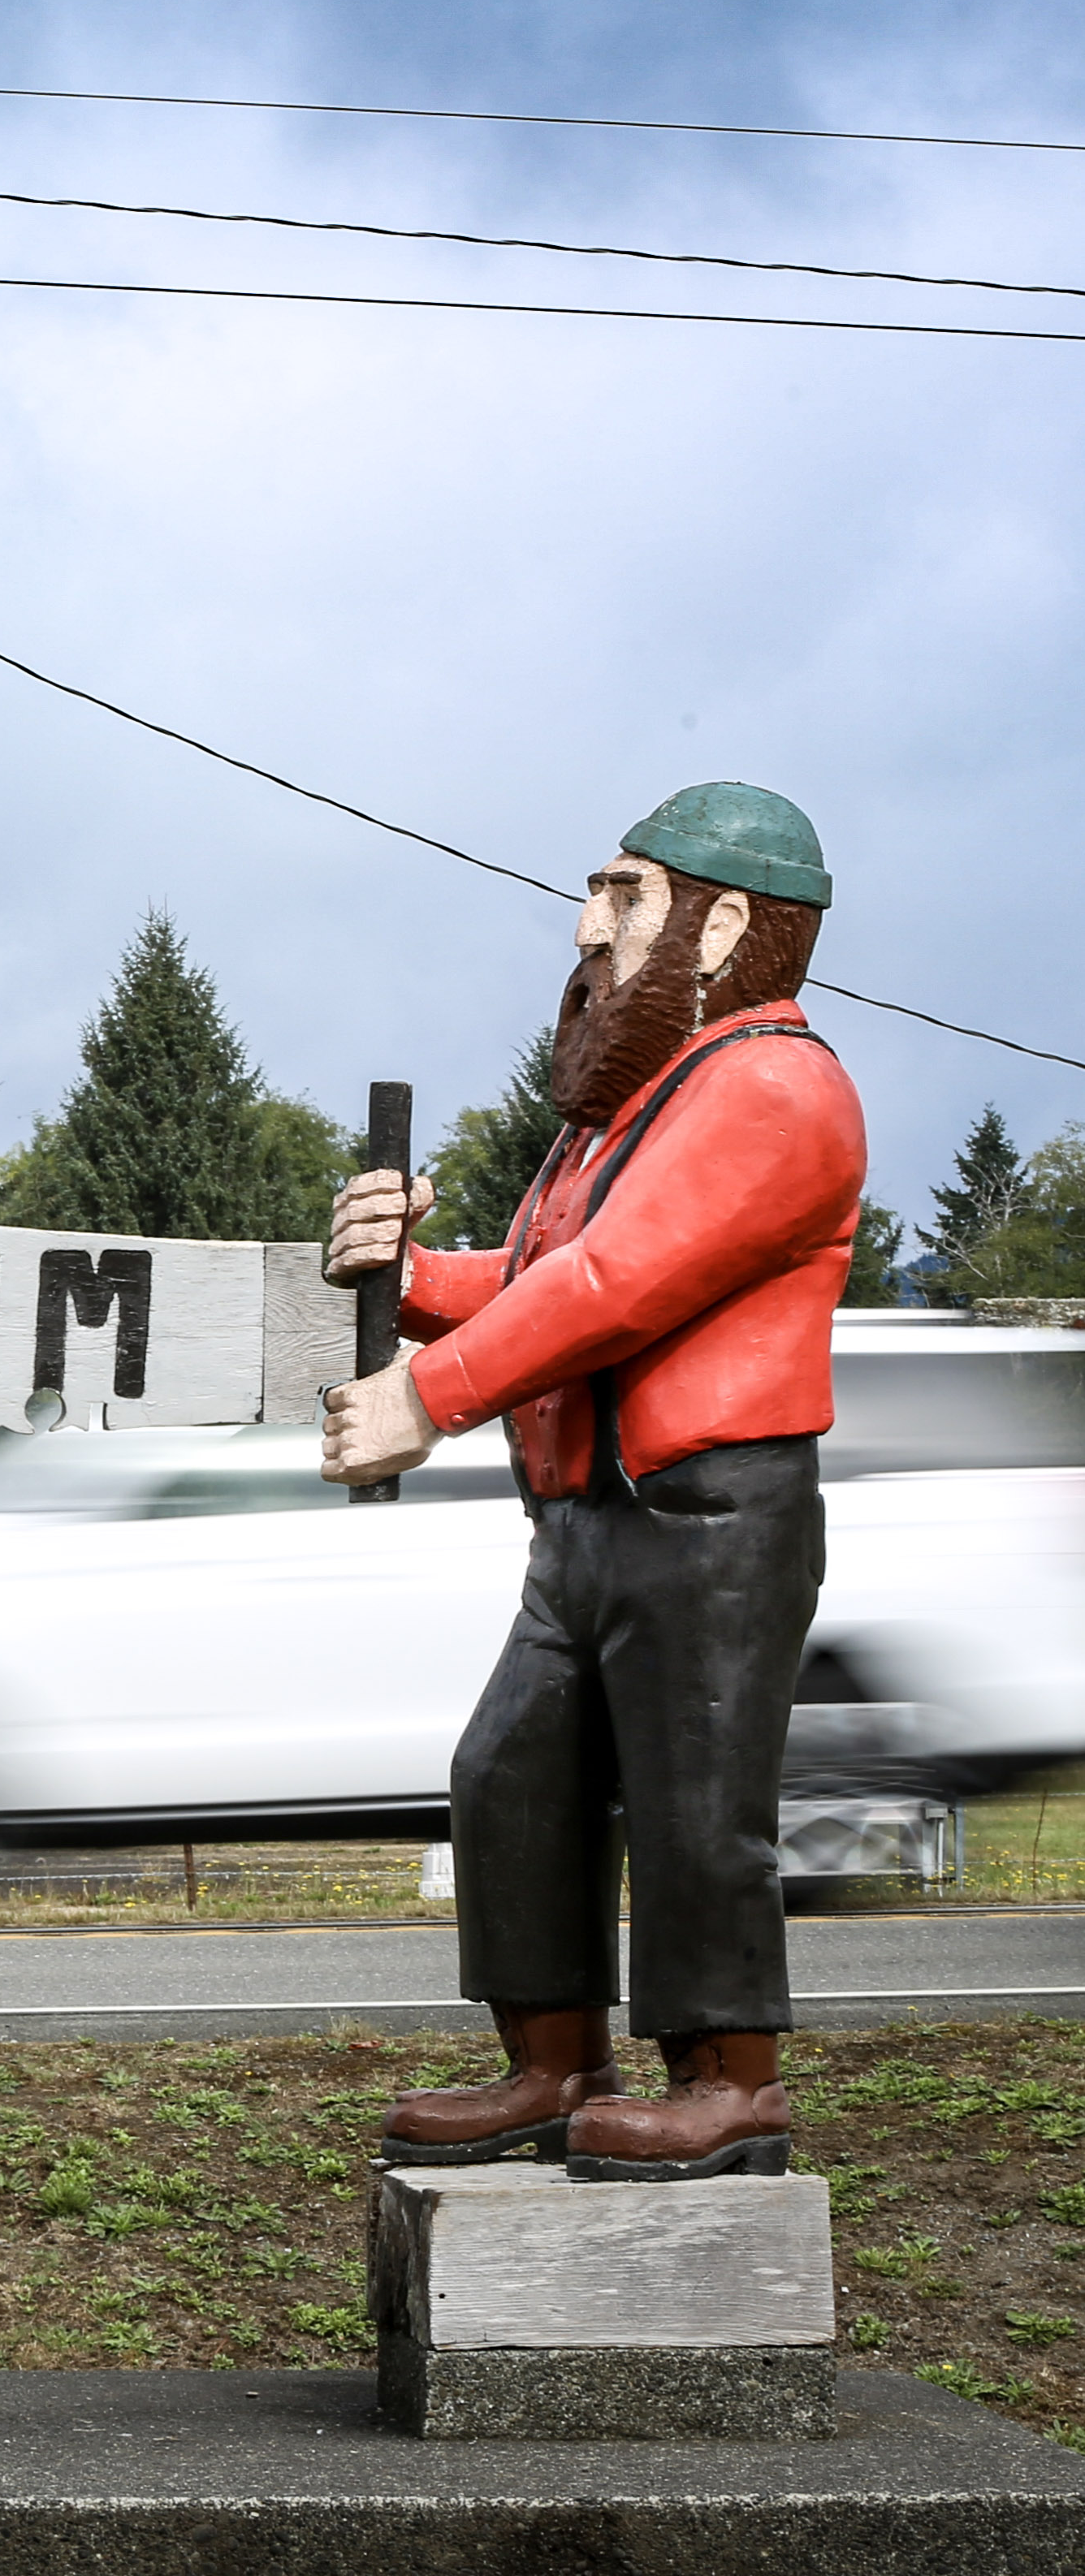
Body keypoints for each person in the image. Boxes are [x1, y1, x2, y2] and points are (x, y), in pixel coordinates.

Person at [320, 782, 861, 2182]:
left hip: (708, 1513)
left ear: (725, 917)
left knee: (695, 1797)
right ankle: (553, 2062)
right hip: (584, 1523)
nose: (586, 930)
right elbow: (540, 1278)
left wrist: (421, 1396)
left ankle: (728, 2082)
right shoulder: (619, 1115)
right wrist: (405, 1280)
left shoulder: (773, 1088)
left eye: (621, 895)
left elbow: (620, 1285)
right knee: (509, 1775)